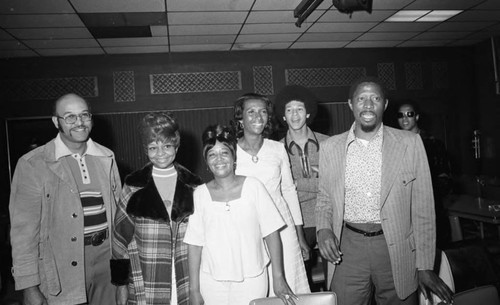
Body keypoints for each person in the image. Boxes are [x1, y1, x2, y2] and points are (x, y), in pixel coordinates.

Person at [316, 77, 454, 305]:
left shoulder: (410, 143)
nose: (368, 105)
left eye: (375, 98)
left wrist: (425, 265)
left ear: (385, 104)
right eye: (361, 99)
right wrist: (323, 229)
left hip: (397, 249)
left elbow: (424, 209)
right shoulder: (331, 147)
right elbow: (324, 197)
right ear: (351, 104)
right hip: (347, 248)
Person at [9, 93, 122, 305]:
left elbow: (119, 217)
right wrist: (28, 286)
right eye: (70, 117)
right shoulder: (33, 163)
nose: (79, 122)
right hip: (60, 267)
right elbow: (23, 233)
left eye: (84, 115)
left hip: (107, 261)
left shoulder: (106, 157)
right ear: (56, 121)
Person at [185, 125, 296, 305]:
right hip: (212, 281)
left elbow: (271, 234)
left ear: (234, 158)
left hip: (252, 279)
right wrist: (194, 290)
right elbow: (194, 245)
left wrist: (278, 277)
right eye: (212, 154)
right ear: (206, 162)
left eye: (224, 153)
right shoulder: (199, 194)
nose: (219, 159)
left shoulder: (254, 187)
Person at [110, 112, 202, 305]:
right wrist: (121, 285)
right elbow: (119, 240)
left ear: (176, 146)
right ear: (146, 149)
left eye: (167, 146)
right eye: (153, 147)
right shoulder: (134, 185)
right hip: (146, 280)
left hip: (186, 278)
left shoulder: (194, 186)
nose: (160, 153)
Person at [231, 93, 310, 295]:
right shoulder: (230, 152)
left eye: (263, 111)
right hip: (247, 228)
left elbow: (289, 192)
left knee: (289, 284)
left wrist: (300, 236)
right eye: (251, 112)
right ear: (240, 118)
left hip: (282, 227)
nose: (258, 117)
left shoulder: (277, 148)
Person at [274, 85, 329, 287]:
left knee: (336, 278)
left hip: (327, 216)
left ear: (308, 113)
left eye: (299, 109)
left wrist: (296, 184)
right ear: (283, 116)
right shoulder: (276, 149)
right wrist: (319, 181)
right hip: (296, 222)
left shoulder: (329, 144)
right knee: (299, 281)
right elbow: (281, 191)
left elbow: (335, 185)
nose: (294, 114)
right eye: (289, 110)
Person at [397, 102, 452, 247]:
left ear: (417, 117)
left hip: (429, 207)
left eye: (410, 114)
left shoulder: (433, 144)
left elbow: (444, 179)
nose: (405, 118)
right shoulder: (393, 145)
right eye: (400, 115)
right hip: (403, 210)